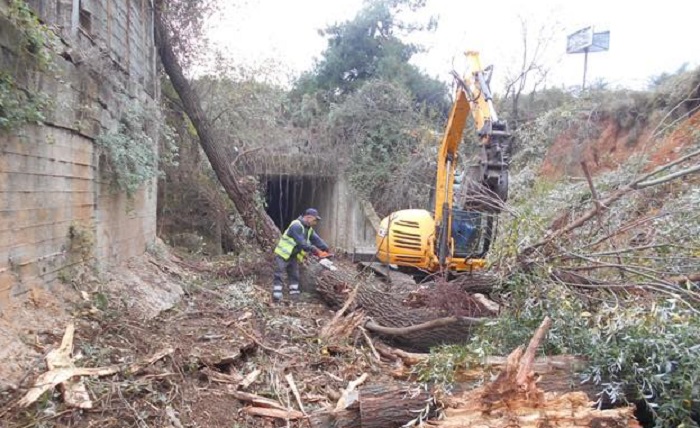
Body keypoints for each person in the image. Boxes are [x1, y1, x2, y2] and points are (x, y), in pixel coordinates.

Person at [272, 208, 330, 302]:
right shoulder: (296, 226)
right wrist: (316, 251)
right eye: (315, 220)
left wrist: (326, 249)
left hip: (293, 255)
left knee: (294, 275)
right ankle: (277, 294)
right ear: (308, 217)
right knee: (279, 273)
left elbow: (317, 240)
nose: (315, 222)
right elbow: (301, 243)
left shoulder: (308, 229)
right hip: (283, 254)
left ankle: (294, 296)